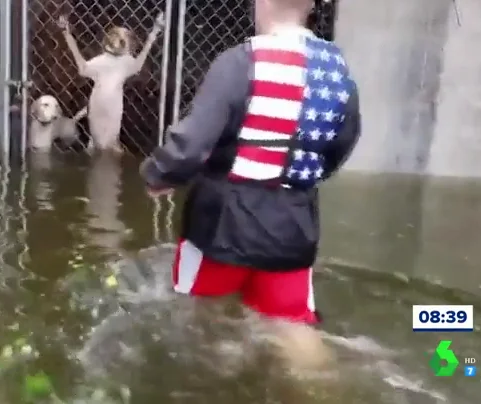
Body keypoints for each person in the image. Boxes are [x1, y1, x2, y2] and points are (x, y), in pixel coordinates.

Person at [140, 0, 361, 368]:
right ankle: (325, 390)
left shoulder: (240, 62)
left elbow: (192, 144)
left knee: (196, 315)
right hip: (293, 225)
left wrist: (159, 174)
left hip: (220, 224)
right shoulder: (336, 70)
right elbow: (341, 143)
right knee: (293, 328)